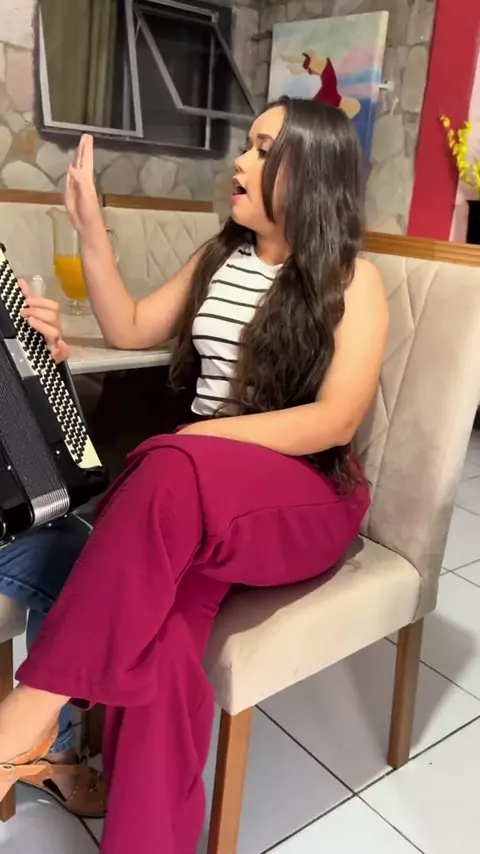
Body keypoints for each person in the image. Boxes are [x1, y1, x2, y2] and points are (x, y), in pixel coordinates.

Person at [0, 97, 388, 853]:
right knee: (164, 640)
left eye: (263, 149)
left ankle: (29, 711)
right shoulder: (220, 257)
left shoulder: (352, 278)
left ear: (310, 171)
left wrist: (200, 439)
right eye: (247, 144)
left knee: (170, 463)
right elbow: (128, 327)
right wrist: (89, 226)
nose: (239, 162)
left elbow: (336, 420)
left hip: (303, 491)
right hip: (196, 496)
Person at [0, 286, 105, 817]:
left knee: (98, 561)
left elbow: (29, 432)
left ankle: (39, 740)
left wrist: (41, 367)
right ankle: (45, 748)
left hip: (19, 527)